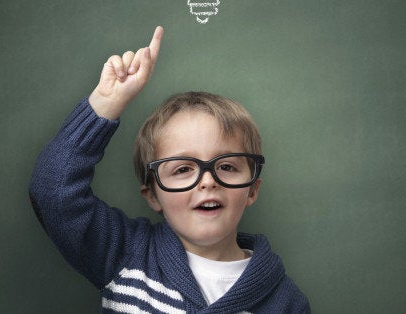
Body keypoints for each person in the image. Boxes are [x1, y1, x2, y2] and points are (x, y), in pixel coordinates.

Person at [29, 26, 310, 313]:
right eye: (182, 169)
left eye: (226, 166)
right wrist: (107, 101)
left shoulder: (286, 303)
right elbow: (52, 191)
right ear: (152, 195)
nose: (208, 181)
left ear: (252, 189)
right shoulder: (126, 254)